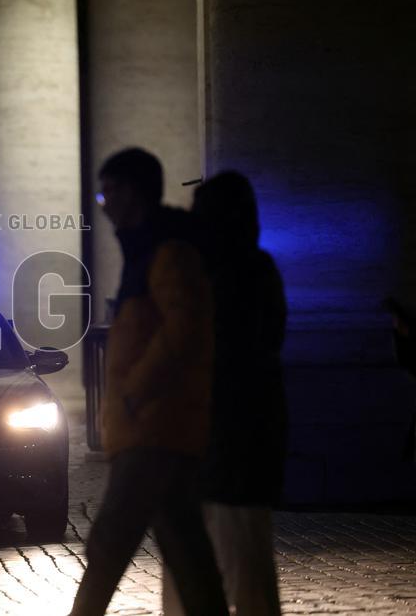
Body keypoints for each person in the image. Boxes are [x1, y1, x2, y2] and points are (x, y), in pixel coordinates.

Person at [71, 148, 228, 616]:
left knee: (107, 546)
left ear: (132, 192)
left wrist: (134, 391)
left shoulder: (167, 250)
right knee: (188, 554)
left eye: (107, 192)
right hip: (157, 427)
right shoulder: (150, 248)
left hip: (153, 430)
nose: (103, 205)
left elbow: (184, 328)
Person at [163, 171, 287, 615]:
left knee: (236, 559)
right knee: (237, 561)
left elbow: (217, 355)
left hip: (228, 441)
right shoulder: (250, 270)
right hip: (233, 440)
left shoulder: (229, 277)